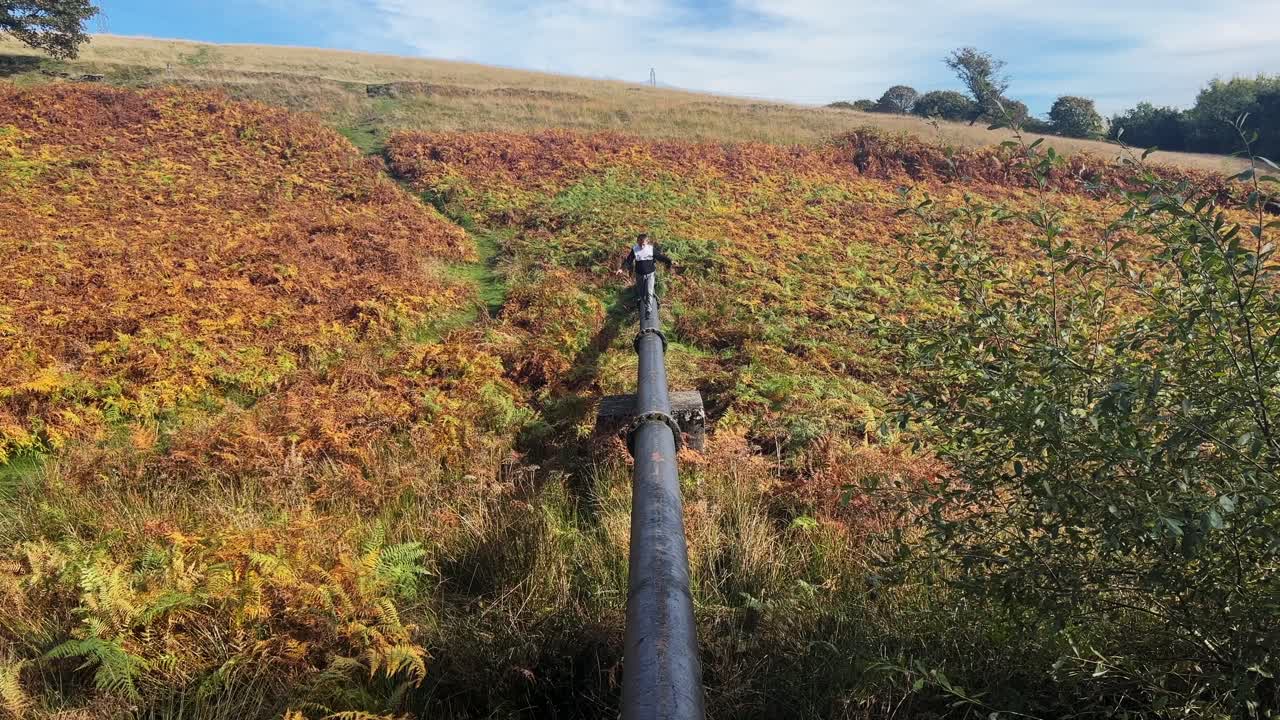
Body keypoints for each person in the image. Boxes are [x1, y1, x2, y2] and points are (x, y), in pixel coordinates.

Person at [617, 232, 673, 316]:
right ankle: (644, 303)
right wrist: (621, 269)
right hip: (639, 274)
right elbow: (629, 260)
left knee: (649, 291)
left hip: (650, 274)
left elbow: (660, 257)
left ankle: (649, 309)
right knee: (642, 292)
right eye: (640, 244)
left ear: (647, 242)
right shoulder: (635, 249)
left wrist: (669, 261)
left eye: (643, 244)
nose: (641, 246)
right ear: (637, 241)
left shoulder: (651, 249)